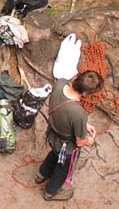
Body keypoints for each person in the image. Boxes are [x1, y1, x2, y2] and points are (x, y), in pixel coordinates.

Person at [36, 70, 102, 201]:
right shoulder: (79, 113)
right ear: (85, 93)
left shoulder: (60, 84)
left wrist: (84, 125)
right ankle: (50, 192)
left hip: (52, 135)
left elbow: (65, 113)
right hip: (66, 147)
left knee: (54, 155)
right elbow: (80, 142)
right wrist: (90, 140)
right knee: (63, 168)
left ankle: (42, 174)